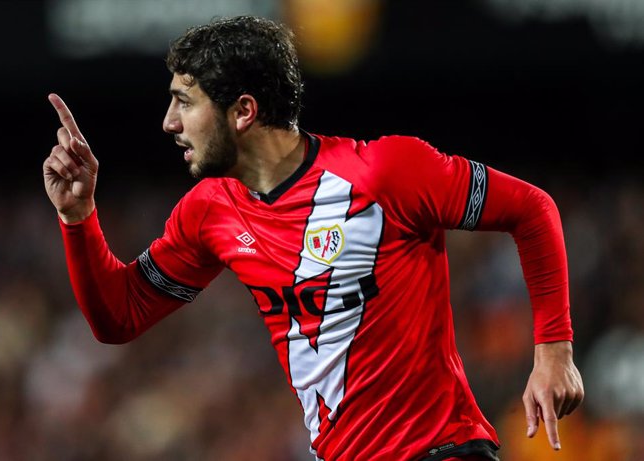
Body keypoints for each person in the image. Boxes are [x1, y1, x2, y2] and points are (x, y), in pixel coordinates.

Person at [42, 15, 584, 461]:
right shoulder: (209, 212)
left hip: (439, 451)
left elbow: (533, 210)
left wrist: (553, 353)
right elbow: (118, 317)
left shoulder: (387, 172)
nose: (168, 122)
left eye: (185, 101)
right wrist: (79, 217)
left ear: (243, 112)